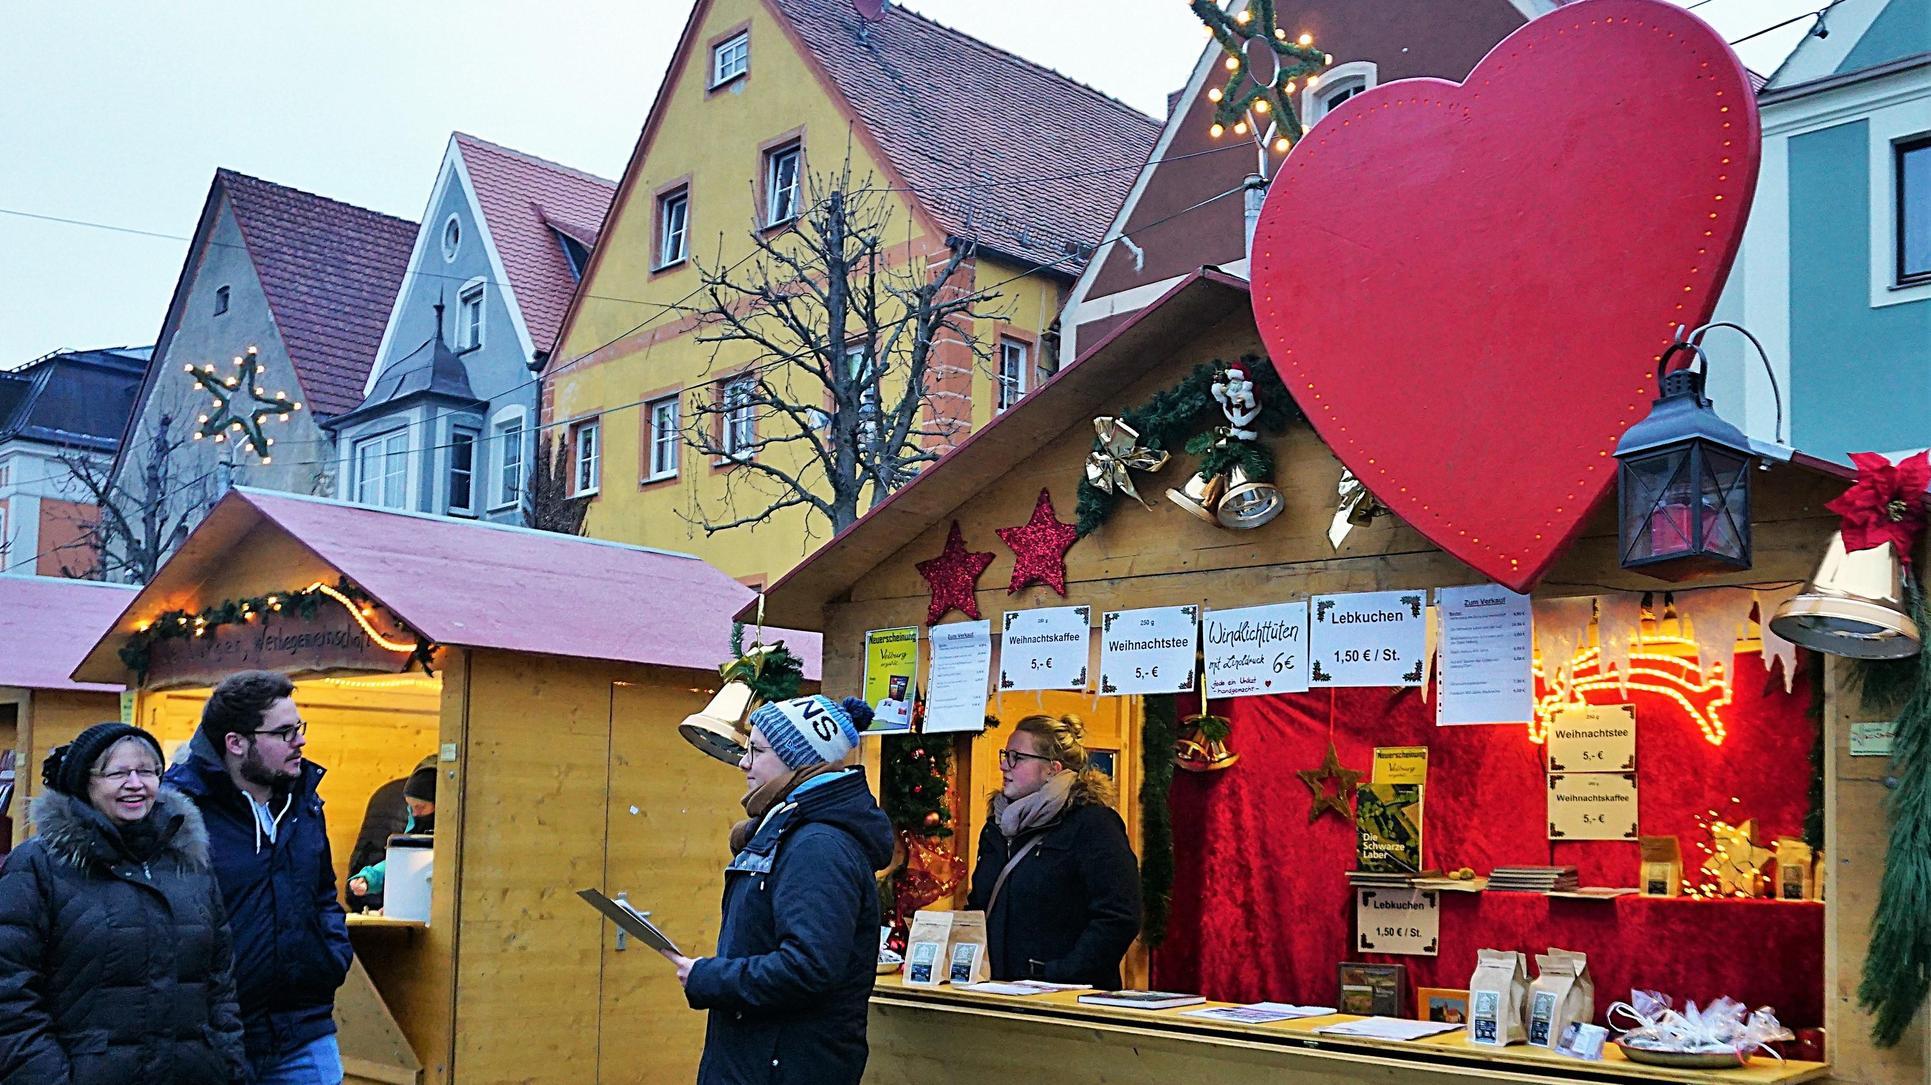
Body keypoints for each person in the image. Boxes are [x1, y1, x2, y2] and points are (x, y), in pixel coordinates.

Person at [661, 695, 894, 1085]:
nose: (744, 762)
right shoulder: (792, 833)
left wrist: (710, 977)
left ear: (798, 760)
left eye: (758, 750)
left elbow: (808, 968)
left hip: (783, 1066)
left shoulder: (817, 846)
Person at [0, 723, 248, 1083]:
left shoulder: (189, 861)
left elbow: (220, 983)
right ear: (84, 781)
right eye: (117, 773)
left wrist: (228, 1063)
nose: (135, 784)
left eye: (147, 771)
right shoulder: (39, 866)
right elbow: (10, 994)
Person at [166, 670, 353, 1085]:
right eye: (284, 732)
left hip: (303, 1026)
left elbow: (323, 893)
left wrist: (331, 956)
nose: (300, 741)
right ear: (236, 743)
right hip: (215, 1034)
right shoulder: (179, 811)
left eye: (299, 728)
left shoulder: (305, 802)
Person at [967, 714, 1141, 989]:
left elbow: (1119, 916)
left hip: (1065, 1001)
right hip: (996, 994)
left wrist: (1060, 974)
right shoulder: (997, 827)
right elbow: (978, 905)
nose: (1004, 765)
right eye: (1005, 755)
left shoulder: (1093, 824)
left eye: (1016, 757)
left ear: (1052, 769)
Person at [347, 762, 436, 907]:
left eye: (420, 807)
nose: (414, 813)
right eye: (410, 807)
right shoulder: (415, 819)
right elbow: (402, 860)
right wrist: (369, 877)